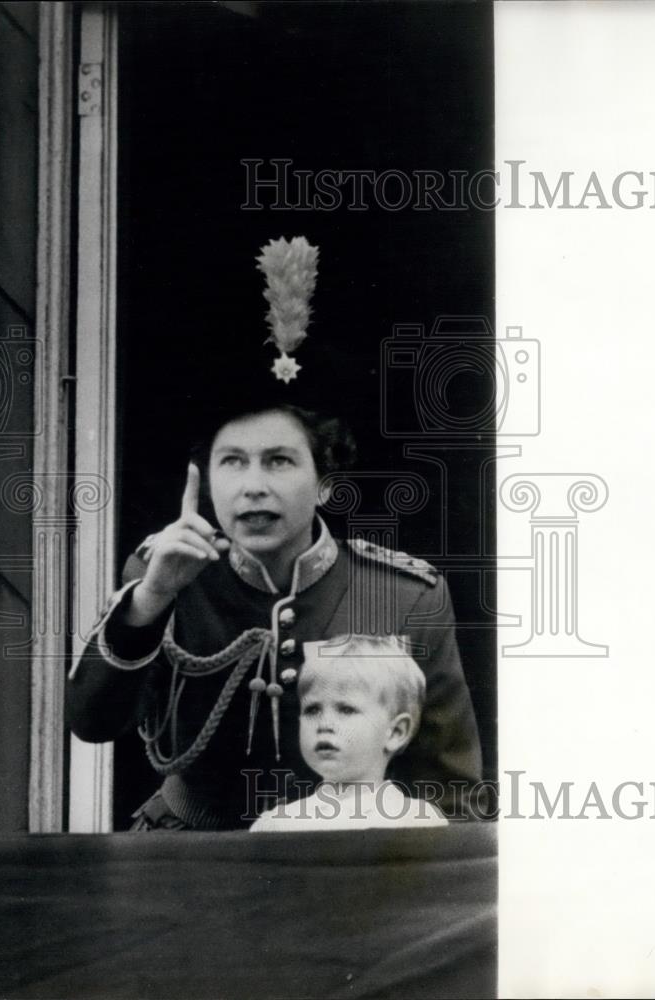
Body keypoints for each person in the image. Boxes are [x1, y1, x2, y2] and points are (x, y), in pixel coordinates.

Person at [65, 236, 482, 830]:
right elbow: (90, 723)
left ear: (325, 485)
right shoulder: (164, 575)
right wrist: (150, 599)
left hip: (342, 872)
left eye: (279, 461)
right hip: (186, 864)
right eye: (232, 462)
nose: (252, 486)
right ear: (204, 480)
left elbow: (453, 796)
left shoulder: (406, 597)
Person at [250, 635, 448, 831]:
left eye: (346, 710)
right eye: (312, 710)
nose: (324, 724)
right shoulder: (277, 825)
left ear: (395, 732)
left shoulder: (416, 821)